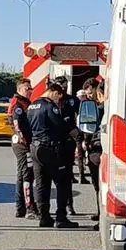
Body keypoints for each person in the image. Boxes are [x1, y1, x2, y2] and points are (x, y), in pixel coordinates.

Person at [27, 80, 78, 229]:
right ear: (55, 93)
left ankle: (44, 217)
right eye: (58, 98)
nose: (58, 101)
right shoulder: (50, 106)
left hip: (35, 148)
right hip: (50, 148)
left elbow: (26, 126)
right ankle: (61, 217)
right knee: (63, 182)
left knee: (42, 184)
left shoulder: (32, 105)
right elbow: (60, 126)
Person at [8, 78, 39, 220]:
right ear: (20, 89)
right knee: (27, 174)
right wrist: (25, 141)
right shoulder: (18, 104)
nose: (30, 91)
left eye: (31, 89)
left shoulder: (25, 103)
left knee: (22, 175)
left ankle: (20, 207)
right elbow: (17, 124)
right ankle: (29, 208)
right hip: (22, 143)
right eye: (27, 89)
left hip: (23, 142)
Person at [52, 75, 80, 216]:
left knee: (67, 176)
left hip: (68, 142)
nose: (63, 87)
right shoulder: (49, 102)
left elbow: (81, 117)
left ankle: (68, 205)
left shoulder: (72, 100)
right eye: (60, 85)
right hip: (52, 143)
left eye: (65, 85)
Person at [81, 78, 106, 230]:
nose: (91, 96)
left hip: (96, 150)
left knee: (99, 186)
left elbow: (88, 130)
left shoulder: (97, 109)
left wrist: (85, 143)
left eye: (93, 93)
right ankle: (100, 214)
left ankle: (101, 218)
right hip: (102, 150)